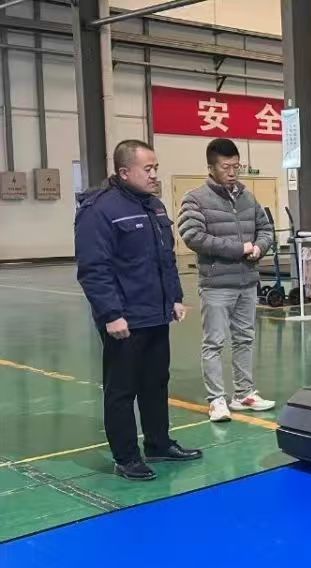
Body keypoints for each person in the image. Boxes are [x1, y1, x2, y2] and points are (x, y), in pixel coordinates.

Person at [75, 140, 203, 481]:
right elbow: (94, 269)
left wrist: (174, 297)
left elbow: (166, 259)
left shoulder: (154, 206)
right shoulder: (99, 210)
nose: (154, 174)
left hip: (156, 312)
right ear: (124, 172)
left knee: (155, 382)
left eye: (156, 168)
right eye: (148, 169)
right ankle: (126, 457)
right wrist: (111, 314)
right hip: (124, 318)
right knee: (122, 389)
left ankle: (158, 444)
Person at [178, 138, 276, 422]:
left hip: (247, 282)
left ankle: (244, 393)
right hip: (217, 284)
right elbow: (193, 236)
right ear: (211, 167)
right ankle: (216, 399)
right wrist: (238, 248)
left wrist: (260, 247)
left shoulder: (247, 197)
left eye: (236, 166)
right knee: (214, 342)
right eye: (226, 167)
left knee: (245, 339)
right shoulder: (195, 199)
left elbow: (265, 229)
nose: (232, 172)